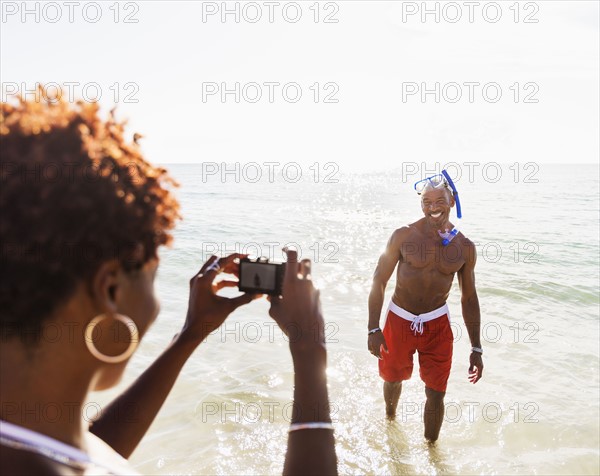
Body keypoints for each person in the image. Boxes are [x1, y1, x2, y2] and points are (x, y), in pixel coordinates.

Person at [0, 96, 337, 475]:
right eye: (152, 278)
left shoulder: (28, 439)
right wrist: (309, 351)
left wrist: (190, 335)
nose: (156, 305)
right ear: (110, 290)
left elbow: (92, 452)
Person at [367, 173, 484, 442]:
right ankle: (390, 421)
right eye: (426, 202)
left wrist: (476, 347)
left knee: (436, 391)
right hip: (399, 319)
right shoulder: (403, 236)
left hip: (437, 324)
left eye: (439, 201)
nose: (432, 207)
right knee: (393, 379)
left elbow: (469, 298)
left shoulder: (464, 247)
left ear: (452, 201)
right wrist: (373, 327)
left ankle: (432, 452)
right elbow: (379, 280)